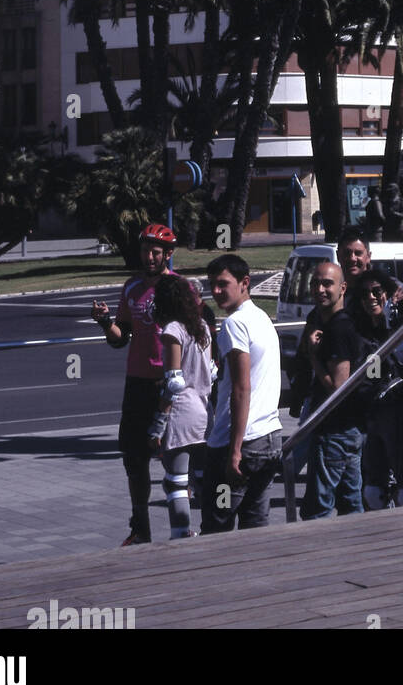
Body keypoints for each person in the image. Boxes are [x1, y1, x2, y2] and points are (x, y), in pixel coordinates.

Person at [91, 222, 176, 545]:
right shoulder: (132, 288)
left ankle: (182, 526)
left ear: (168, 254)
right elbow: (119, 339)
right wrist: (104, 321)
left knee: (174, 457)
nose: (150, 256)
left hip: (169, 384)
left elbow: (197, 335)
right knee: (134, 459)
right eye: (145, 250)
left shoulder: (180, 287)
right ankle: (140, 527)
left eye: (156, 251)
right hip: (137, 384)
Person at [200, 254, 283, 532]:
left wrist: (234, 451)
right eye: (212, 284)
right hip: (268, 439)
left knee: (217, 527)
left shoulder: (235, 324)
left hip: (239, 443)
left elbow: (241, 387)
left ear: (245, 283)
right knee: (255, 526)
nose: (216, 291)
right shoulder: (261, 319)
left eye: (223, 284)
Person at [352, 268, 403, 508]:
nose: (371, 298)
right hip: (370, 410)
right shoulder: (359, 329)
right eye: (365, 294)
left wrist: (392, 316)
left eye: (377, 292)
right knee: (373, 489)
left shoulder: (401, 323)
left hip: (399, 409)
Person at [296, 259, 367, 519]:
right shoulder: (322, 320)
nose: (320, 289)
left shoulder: (339, 327)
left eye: (327, 283)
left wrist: (315, 357)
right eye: (315, 283)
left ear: (343, 288)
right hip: (350, 429)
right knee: (351, 503)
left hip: (335, 431)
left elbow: (339, 388)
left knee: (318, 508)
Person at [148, 273, 213, 539]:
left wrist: (158, 422)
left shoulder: (173, 330)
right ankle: (212, 527)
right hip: (204, 412)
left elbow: (174, 382)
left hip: (181, 414)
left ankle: (180, 535)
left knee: (175, 482)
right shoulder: (202, 327)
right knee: (201, 478)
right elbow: (212, 370)